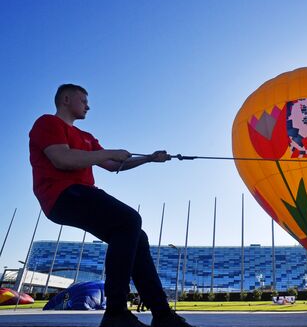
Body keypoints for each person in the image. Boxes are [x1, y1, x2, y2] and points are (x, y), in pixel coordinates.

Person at [29, 84, 192, 327]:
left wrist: (149, 159)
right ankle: (116, 312)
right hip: (61, 194)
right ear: (65, 99)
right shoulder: (47, 123)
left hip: (83, 194)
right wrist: (108, 152)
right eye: (83, 100)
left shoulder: (87, 138)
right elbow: (62, 159)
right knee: (129, 220)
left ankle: (162, 315)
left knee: (137, 236)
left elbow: (114, 165)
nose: (88, 105)